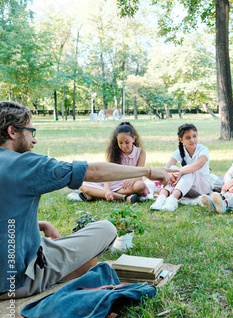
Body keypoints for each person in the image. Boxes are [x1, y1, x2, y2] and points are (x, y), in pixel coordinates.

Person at [0, 101, 171, 298]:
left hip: (18, 251)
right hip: (16, 279)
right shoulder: (25, 164)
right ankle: (61, 276)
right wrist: (149, 171)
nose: (34, 140)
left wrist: (41, 223)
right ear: (13, 131)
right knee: (106, 229)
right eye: (32, 131)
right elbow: (92, 171)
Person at [79, 122, 147, 203]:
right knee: (82, 185)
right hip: (112, 181)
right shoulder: (114, 152)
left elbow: (140, 173)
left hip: (128, 184)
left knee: (140, 186)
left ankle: (96, 194)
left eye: (127, 142)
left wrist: (132, 179)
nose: (124, 146)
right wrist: (107, 189)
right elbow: (107, 173)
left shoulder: (141, 153)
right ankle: (124, 197)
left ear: (133, 139)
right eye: (120, 143)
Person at [150, 123, 211, 211]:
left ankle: (173, 199)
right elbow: (167, 167)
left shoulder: (203, 149)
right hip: (186, 188)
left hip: (202, 187)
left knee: (187, 170)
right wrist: (170, 174)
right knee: (173, 168)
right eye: (188, 138)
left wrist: (181, 172)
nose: (192, 140)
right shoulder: (179, 151)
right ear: (181, 140)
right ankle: (162, 198)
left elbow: (199, 164)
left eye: (194, 136)